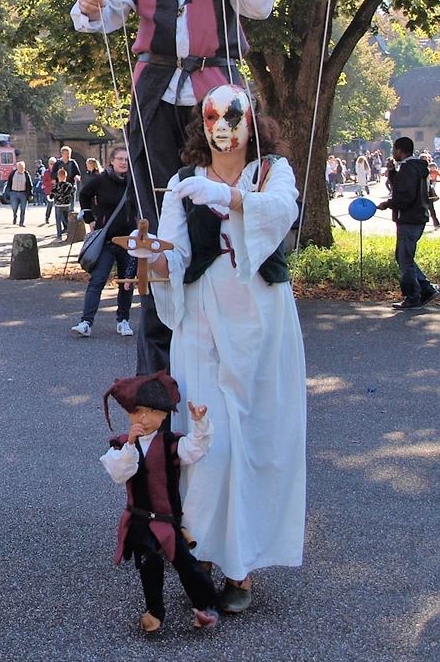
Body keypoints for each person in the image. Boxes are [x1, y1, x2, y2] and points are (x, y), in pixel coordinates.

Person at [72, 0, 278, 375]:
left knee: (221, 191)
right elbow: (98, 18)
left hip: (215, 87)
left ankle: (220, 281)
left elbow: (259, 4)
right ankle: (163, 304)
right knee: (157, 198)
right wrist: (89, 5)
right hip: (155, 88)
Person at [147, 84, 305, 613]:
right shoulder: (182, 182)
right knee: (208, 437)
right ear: (201, 125)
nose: (221, 126)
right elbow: (173, 250)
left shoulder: (272, 171)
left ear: (250, 122)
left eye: (232, 116)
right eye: (211, 116)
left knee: (258, 436)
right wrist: (153, 261)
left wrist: (232, 198)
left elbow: (280, 211)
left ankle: (242, 569)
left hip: (263, 320)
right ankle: (203, 554)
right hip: (203, 321)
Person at [100, 372, 218, 633]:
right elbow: (120, 473)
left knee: (185, 563)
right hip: (139, 519)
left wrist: (200, 424)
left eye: (153, 411)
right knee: (149, 565)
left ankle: (206, 605)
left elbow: (195, 450)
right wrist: (130, 444)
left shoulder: (169, 443)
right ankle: (154, 611)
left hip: (167, 520)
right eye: (137, 411)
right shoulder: (121, 446)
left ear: (165, 414)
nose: (145, 418)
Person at [72, 147, 137, 338]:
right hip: (106, 240)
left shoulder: (134, 182)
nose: (123, 162)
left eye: (126, 159)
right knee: (98, 280)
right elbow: (84, 195)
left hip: (128, 241)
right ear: (112, 161)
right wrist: (90, 218)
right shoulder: (101, 180)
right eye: (119, 159)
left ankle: (123, 320)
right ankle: (86, 322)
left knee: (126, 283)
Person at [378, 137, 440, 309]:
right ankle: (426, 289)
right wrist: (392, 173)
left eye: (394, 151)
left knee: (405, 259)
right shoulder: (418, 168)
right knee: (403, 256)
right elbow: (403, 187)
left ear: (399, 151)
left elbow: (404, 195)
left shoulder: (407, 169)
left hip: (408, 218)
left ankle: (413, 296)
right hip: (418, 216)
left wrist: (388, 204)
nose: (393, 154)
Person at [5, 160, 33, 227]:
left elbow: (30, 185)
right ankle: (15, 215)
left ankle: (21, 223)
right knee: (14, 207)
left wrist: (31, 194)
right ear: (17, 167)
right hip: (14, 193)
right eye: (20, 168)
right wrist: (8, 192)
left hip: (23, 193)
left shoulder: (26, 174)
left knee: (23, 209)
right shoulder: (13, 174)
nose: (22, 169)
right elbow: (9, 183)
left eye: (23, 168)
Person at [52, 168, 76, 240]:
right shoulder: (69, 185)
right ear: (66, 176)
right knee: (67, 220)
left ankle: (59, 236)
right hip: (67, 204)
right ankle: (69, 235)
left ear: (58, 176)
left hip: (58, 205)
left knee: (58, 221)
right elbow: (72, 193)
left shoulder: (56, 185)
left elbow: (52, 195)